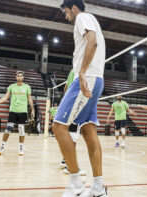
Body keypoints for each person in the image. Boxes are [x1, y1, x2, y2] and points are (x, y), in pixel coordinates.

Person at [54, 0, 107, 196]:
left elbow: (92, 41)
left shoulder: (82, 17)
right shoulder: (90, 19)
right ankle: (98, 188)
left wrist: (82, 72)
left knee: (58, 127)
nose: (66, 16)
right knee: (88, 130)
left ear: (74, 8)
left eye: (66, 12)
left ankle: (76, 186)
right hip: (96, 79)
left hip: (87, 78)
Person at [0, 71, 34, 156]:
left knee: (21, 128)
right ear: (16, 77)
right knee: (8, 128)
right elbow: (5, 98)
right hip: (13, 110)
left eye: (21, 76)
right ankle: (2, 146)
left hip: (23, 111)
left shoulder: (27, 87)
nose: (19, 77)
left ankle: (21, 147)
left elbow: (30, 99)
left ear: (23, 77)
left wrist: (33, 109)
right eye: (18, 76)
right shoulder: (11, 87)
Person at [60, 69, 86, 176]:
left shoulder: (72, 70)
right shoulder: (83, 70)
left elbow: (65, 88)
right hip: (77, 102)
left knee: (71, 132)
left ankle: (64, 160)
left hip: (70, 102)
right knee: (73, 134)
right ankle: (69, 166)